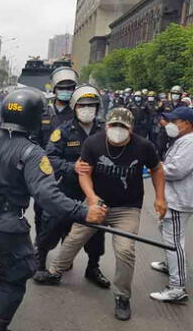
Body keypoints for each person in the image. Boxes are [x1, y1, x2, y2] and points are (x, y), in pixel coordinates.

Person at [0, 88, 106, 331]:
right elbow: (47, 195)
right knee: (14, 276)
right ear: (33, 118)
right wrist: (83, 212)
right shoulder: (33, 152)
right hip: (7, 224)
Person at [39, 108, 166, 321]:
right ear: (106, 125)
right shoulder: (94, 143)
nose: (117, 130)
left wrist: (160, 197)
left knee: (125, 250)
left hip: (127, 208)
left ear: (131, 128)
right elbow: (84, 172)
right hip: (98, 204)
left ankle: (122, 296)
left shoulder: (144, 146)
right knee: (74, 238)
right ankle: (54, 272)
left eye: (123, 127)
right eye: (113, 125)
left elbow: (157, 169)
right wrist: (91, 197)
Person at [33, 85, 109, 288]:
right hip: (67, 188)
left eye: (91, 105)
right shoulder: (63, 131)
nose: (87, 109)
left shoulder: (105, 131)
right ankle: (39, 261)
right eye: (82, 105)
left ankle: (93, 267)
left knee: (96, 232)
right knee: (52, 227)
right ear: (74, 107)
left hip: (94, 192)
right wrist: (70, 166)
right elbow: (50, 157)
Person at [149, 107, 193, 302]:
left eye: (175, 121)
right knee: (167, 233)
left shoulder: (189, 143)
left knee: (174, 241)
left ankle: (177, 287)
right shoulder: (182, 141)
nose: (170, 125)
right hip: (176, 197)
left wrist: (155, 167)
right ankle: (170, 264)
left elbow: (175, 171)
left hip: (179, 200)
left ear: (187, 124)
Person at [32, 67, 79, 239]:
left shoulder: (77, 114)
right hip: (43, 170)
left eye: (69, 88)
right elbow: (34, 139)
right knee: (40, 210)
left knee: (66, 213)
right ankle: (40, 249)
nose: (66, 92)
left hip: (68, 171)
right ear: (54, 88)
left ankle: (64, 253)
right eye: (62, 87)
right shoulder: (43, 111)